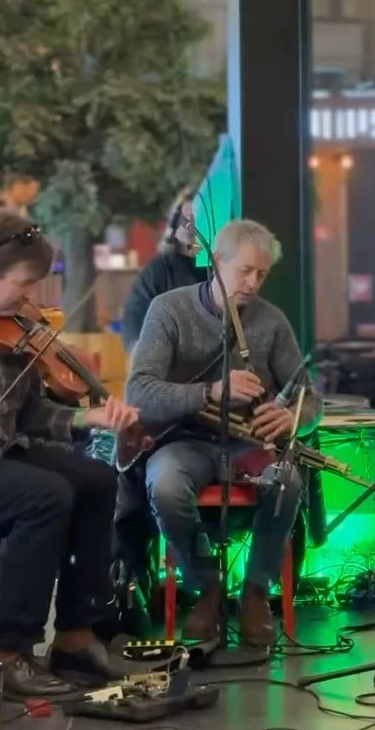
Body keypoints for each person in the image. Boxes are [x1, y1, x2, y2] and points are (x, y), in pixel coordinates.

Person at [0, 210, 140, 699]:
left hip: (2, 454)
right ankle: (7, 654)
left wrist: (87, 417)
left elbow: (32, 415)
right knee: (45, 495)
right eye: (23, 284)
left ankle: (76, 638)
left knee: (97, 480)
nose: (30, 298)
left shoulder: (12, 326)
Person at [126, 219, 321, 647]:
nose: (253, 283)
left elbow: (310, 398)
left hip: (248, 443)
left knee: (286, 481)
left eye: (262, 274)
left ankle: (255, 592)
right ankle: (207, 588)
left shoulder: (272, 321)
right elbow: (138, 391)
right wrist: (210, 392)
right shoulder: (168, 309)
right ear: (216, 262)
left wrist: (292, 417)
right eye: (244, 271)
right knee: (165, 486)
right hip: (183, 441)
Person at [121, 190, 208, 352]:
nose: (190, 223)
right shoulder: (158, 269)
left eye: (195, 217)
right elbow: (134, 318)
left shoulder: (218, 268)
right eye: (185, 217)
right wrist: (142, 354)